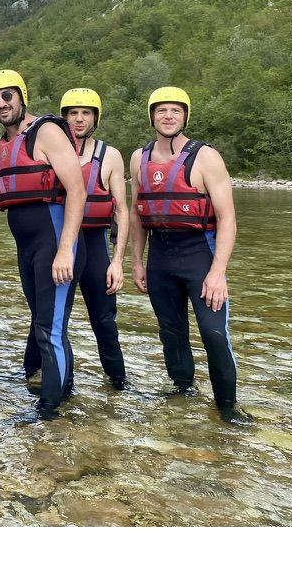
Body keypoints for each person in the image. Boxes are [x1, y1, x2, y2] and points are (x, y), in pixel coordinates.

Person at [129, 87, 240, 420]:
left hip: (199, 254)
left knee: (213, 332)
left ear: (185, 116)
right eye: (161, 110)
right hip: (160, 257)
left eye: (175, 111)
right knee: (171, 329)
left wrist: (218, 272)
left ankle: (227, 407)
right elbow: (137, 214)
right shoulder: (139, 158)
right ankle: (182, 389)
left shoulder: (206, 157)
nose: (168, 116)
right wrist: (137, 261)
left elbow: (228, 218)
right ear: (152, 116)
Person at [0, 70, 86, 418]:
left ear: (21, 95)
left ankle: (48, 411)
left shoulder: (46, 132)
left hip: (56, 243)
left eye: (7, 96)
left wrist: (65, 250)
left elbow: (77, 190)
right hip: (28, 248)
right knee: (48, 324)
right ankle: (65, 393)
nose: (2, 104)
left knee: (49, 328)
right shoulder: (1, 145)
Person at [59, 89, 128, 390]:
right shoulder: (53, 149)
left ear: (95, 118)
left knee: (104, 321)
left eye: (86, 113)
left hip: (96, 243)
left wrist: (118, 262)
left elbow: (122, 211)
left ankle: (117, 381)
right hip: (63, 245)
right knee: (52, 317)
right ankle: (53, 379)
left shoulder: (109, 156)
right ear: (64, 118)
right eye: (73, 113)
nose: (79, 118)